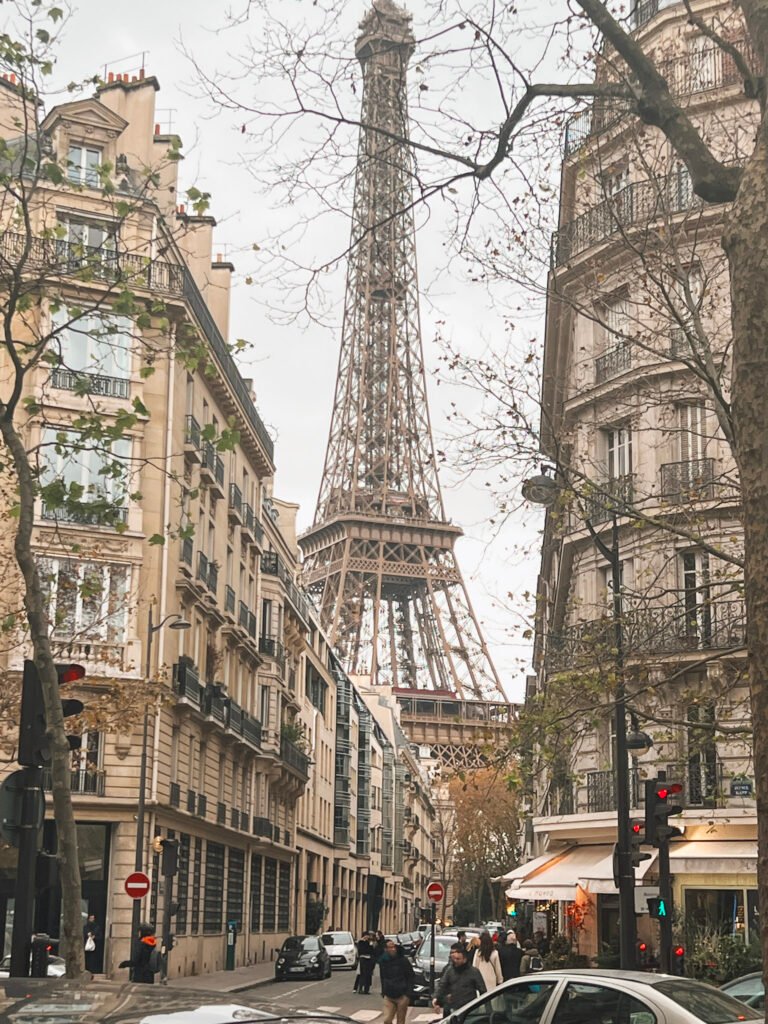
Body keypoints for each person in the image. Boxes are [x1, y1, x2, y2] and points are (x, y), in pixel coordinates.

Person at [433, 943, 486, 1017]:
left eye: (458, 959)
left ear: (464, 959)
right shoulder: (450, 970)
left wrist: (484, 1008)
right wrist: (437, 1000)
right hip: (452, 1008)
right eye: (454, 959)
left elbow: (483, 990)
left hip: (469, 1009)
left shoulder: (474, 972)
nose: (455, 961)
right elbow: (442, 985)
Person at [379, 938, 414, 1024]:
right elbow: (383, 977)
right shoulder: (383, 961)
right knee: (387, 1020)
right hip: (389, 995)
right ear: (385, 949)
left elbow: (411, 976)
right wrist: (384, 991)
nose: (393, 949)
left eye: (393, 947)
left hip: (402, 995)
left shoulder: (403, 960)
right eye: (390, 947)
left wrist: (407, 994)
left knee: (400, 1021)